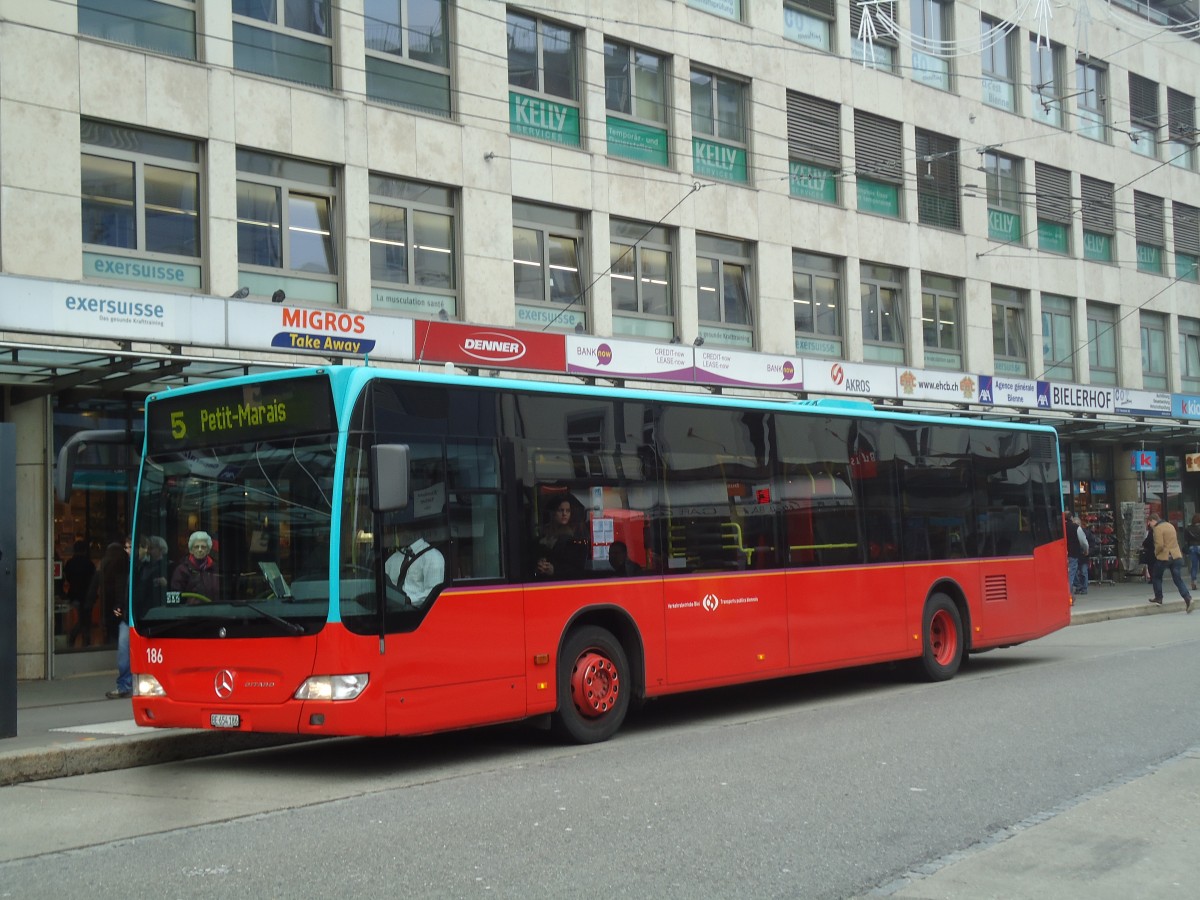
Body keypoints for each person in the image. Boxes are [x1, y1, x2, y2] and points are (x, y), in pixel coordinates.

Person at [87, 541, 131, 699]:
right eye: (126, 547)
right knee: (124, 651)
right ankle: (126, 684)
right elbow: (121, 589)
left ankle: (127, 684)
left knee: (124, 650)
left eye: (130, 547)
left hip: (122, 611)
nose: (128, 551)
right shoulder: (122, 565)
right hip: (125, 612)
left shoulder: (109, 564)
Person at [384, 527, 445, 607]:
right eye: (399, 530)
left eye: (407, 529)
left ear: (417, 531)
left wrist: (409, 600)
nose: (402, 534)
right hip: (391, 609)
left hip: (418, 612)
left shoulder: (432, 556)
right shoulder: (393, 558)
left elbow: (434, 592)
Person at [1146, 512, 1193, 613]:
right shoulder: (1170, 525)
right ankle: (1187, 597)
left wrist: (1156, 553)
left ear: (1153, 521)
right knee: (1177, 579)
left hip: (1165, 556)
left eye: (1149, 522)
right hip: (1176, 556)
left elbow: (1159, 545)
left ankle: (1158, 597)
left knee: (1156, 576)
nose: (1149, 525)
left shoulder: (1157, 529)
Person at [535, 497, 588, 579]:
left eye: (568, 511)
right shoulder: (543, 535)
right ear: (552, 513)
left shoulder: (576, 536)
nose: (564, 514)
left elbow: (577, 567)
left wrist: (555, 570)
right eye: (560, 510)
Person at [63, 540, 96, 648]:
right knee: (85, 620)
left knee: (80, 620)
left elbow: (67, 578)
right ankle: (85, 641)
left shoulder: (70, 563)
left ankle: (75, 639)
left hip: (74, 595)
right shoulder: (89, 564)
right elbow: (93, 580)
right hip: (87, 595)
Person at [170, 531, 219, 602]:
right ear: (191, 550)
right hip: (190, 612)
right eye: (196, 547)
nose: (200, 550)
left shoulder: (216, 569)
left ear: (208, 550)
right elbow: (175, 597)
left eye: (203, 547)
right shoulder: (181, 570)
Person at [1065, 514, 1089, 599]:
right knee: (1071, 573)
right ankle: (1068, 592)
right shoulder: (1075, 527)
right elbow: (1083, 541)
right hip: (1073, 553)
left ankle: (1074, 587)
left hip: (1063, 553)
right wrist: (1086, 550)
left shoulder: (1062, 527)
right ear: (1071, 518)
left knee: (1067, 573)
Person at [1185, 514, 1200, 590]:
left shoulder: (1188, 528)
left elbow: (1186, 540)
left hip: (1192, 547)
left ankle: (1194, 583)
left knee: (1194, 566)